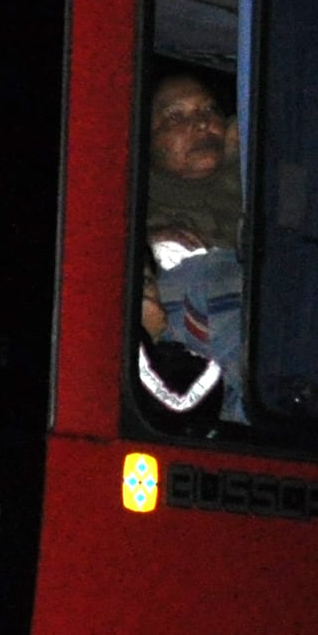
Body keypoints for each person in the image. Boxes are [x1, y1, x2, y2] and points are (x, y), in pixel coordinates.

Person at [136, 69, 246, 422]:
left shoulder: (255, 185)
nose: (202, 124)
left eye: (209, 111)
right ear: (146, 139)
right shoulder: (132, 203)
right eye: (176, 117)